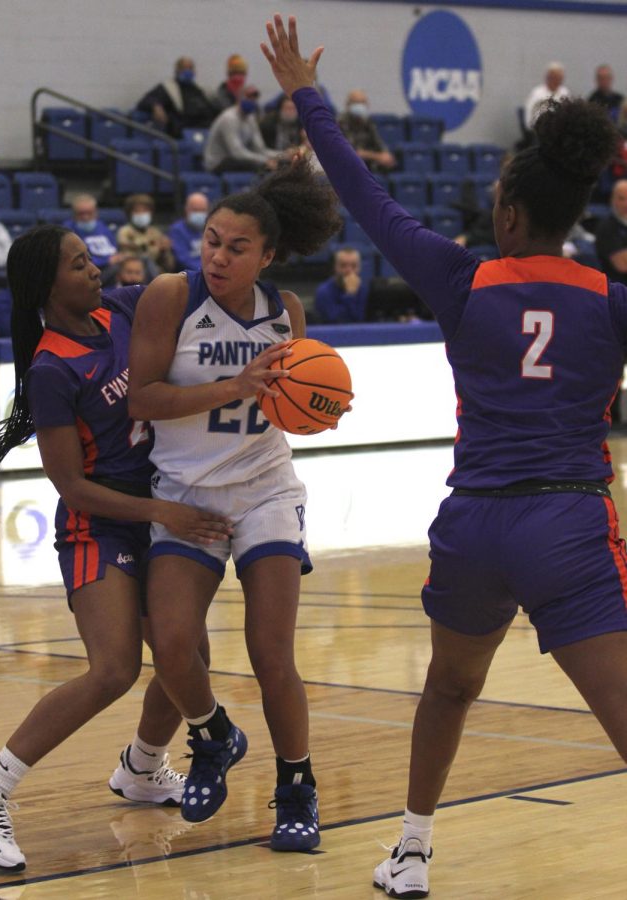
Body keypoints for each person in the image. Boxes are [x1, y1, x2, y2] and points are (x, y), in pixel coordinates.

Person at [262, 15, 627, 898]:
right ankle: (411, 851)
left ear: (505, 212)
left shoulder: (460, 277)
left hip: (471, 525)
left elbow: (361, 192)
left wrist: (307, 96)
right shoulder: (611, 301)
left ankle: (413, 851)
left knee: (449, 689)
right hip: (568, 521)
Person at [0, 225, 232, 873]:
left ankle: (142, 769)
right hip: (98, 521)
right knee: (113, 669)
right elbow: (71, 485)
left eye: (89, 258)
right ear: (48, 286)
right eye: (77, 264)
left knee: (189, 653)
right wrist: (159, 509)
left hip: (152, 509)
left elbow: (183, 287)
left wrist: (235, 244)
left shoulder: (121, 309)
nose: (93, 267)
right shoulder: (50, 368)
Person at [126, 156, 343, 852]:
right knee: (175, 644)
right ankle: (214, 734)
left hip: (263, 489)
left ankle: (296, 789)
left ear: (267, 255)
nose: (217, 254)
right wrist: (236, 385)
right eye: (212, 239)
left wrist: (316, 406)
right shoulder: (170, 295)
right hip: (186, 491)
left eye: (236, 246)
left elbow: (293, 404)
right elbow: (143, 398)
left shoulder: (287, 312)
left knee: (270, 652)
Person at [203, 85, 281, 174]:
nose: (251, 101)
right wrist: (264, 161)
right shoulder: (229, 118)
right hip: (218, 163)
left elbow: (260, 149)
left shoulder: (250, 118)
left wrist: (283, 155)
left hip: (235, 160)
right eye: (248, 97)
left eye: (254, 98)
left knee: (279, 164)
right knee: (261, 166)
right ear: (239, 98)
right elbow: (237, 153)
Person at [136, 56, 218, 137]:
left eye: (190, 68)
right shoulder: (169, 88)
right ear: (177, 70)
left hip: (206, 130)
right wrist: (156, 106)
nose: (188, 71)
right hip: (184, 131)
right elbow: (146, 100)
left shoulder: (201, 90)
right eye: (184, 68)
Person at [337, 89, 396, 173]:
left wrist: (385, 153)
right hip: (347, 165)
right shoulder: (341, 122)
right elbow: (353, 151)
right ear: (348, 105)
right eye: (356, 103)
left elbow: (378, 142)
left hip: (367, 165)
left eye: (362, 103)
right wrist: (378, 157)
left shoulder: (367, 121)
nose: (360, 106)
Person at [117, 194, 175, 276]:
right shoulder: (124, 231)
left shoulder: (155, 233)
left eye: (145, 210)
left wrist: (164, 252)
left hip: (154, 272)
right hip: (133, 273)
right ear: (129, 213)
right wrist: (149, 244)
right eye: (137, 211)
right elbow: (129, 255)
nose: (141, 214)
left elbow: (169, 266)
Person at [63, 194, 122, 274]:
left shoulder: (103, 227)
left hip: (111, 267)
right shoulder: (68, 231)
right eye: (81, 213)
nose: (85, 217)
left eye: (89, 213)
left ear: (96, 212)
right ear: (74, 214)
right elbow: (75, 260)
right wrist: (106, 261)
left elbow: (114, 249)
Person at [314, 246, 370, 323]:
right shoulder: (323, 291)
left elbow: (361, 318)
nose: (349, 270)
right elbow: (336, 320)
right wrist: (350, 294)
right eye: (343, 265)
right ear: (335, 267)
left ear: (359, 268)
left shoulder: (363, 289)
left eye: (354, 266)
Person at [594, 179, 627, 286]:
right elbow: (622, 265)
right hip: (616, 288)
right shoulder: (607, 226)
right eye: (621, 198)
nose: (626, 203)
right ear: (613, 200)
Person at [523, 61, 571, 129]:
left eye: (559, 78)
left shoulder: (565, 92)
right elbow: (529, 115)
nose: (557, 81)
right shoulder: (537, 93)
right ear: (548, 77)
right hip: (540, 130)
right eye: (554, 78)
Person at [168, 192, 209, 271]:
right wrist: (206, 270)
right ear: (186, 210)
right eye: (195, 210)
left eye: (203, 210)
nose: (199, 214)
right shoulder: (177, 230)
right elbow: (183, 260)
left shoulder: (210, 228)